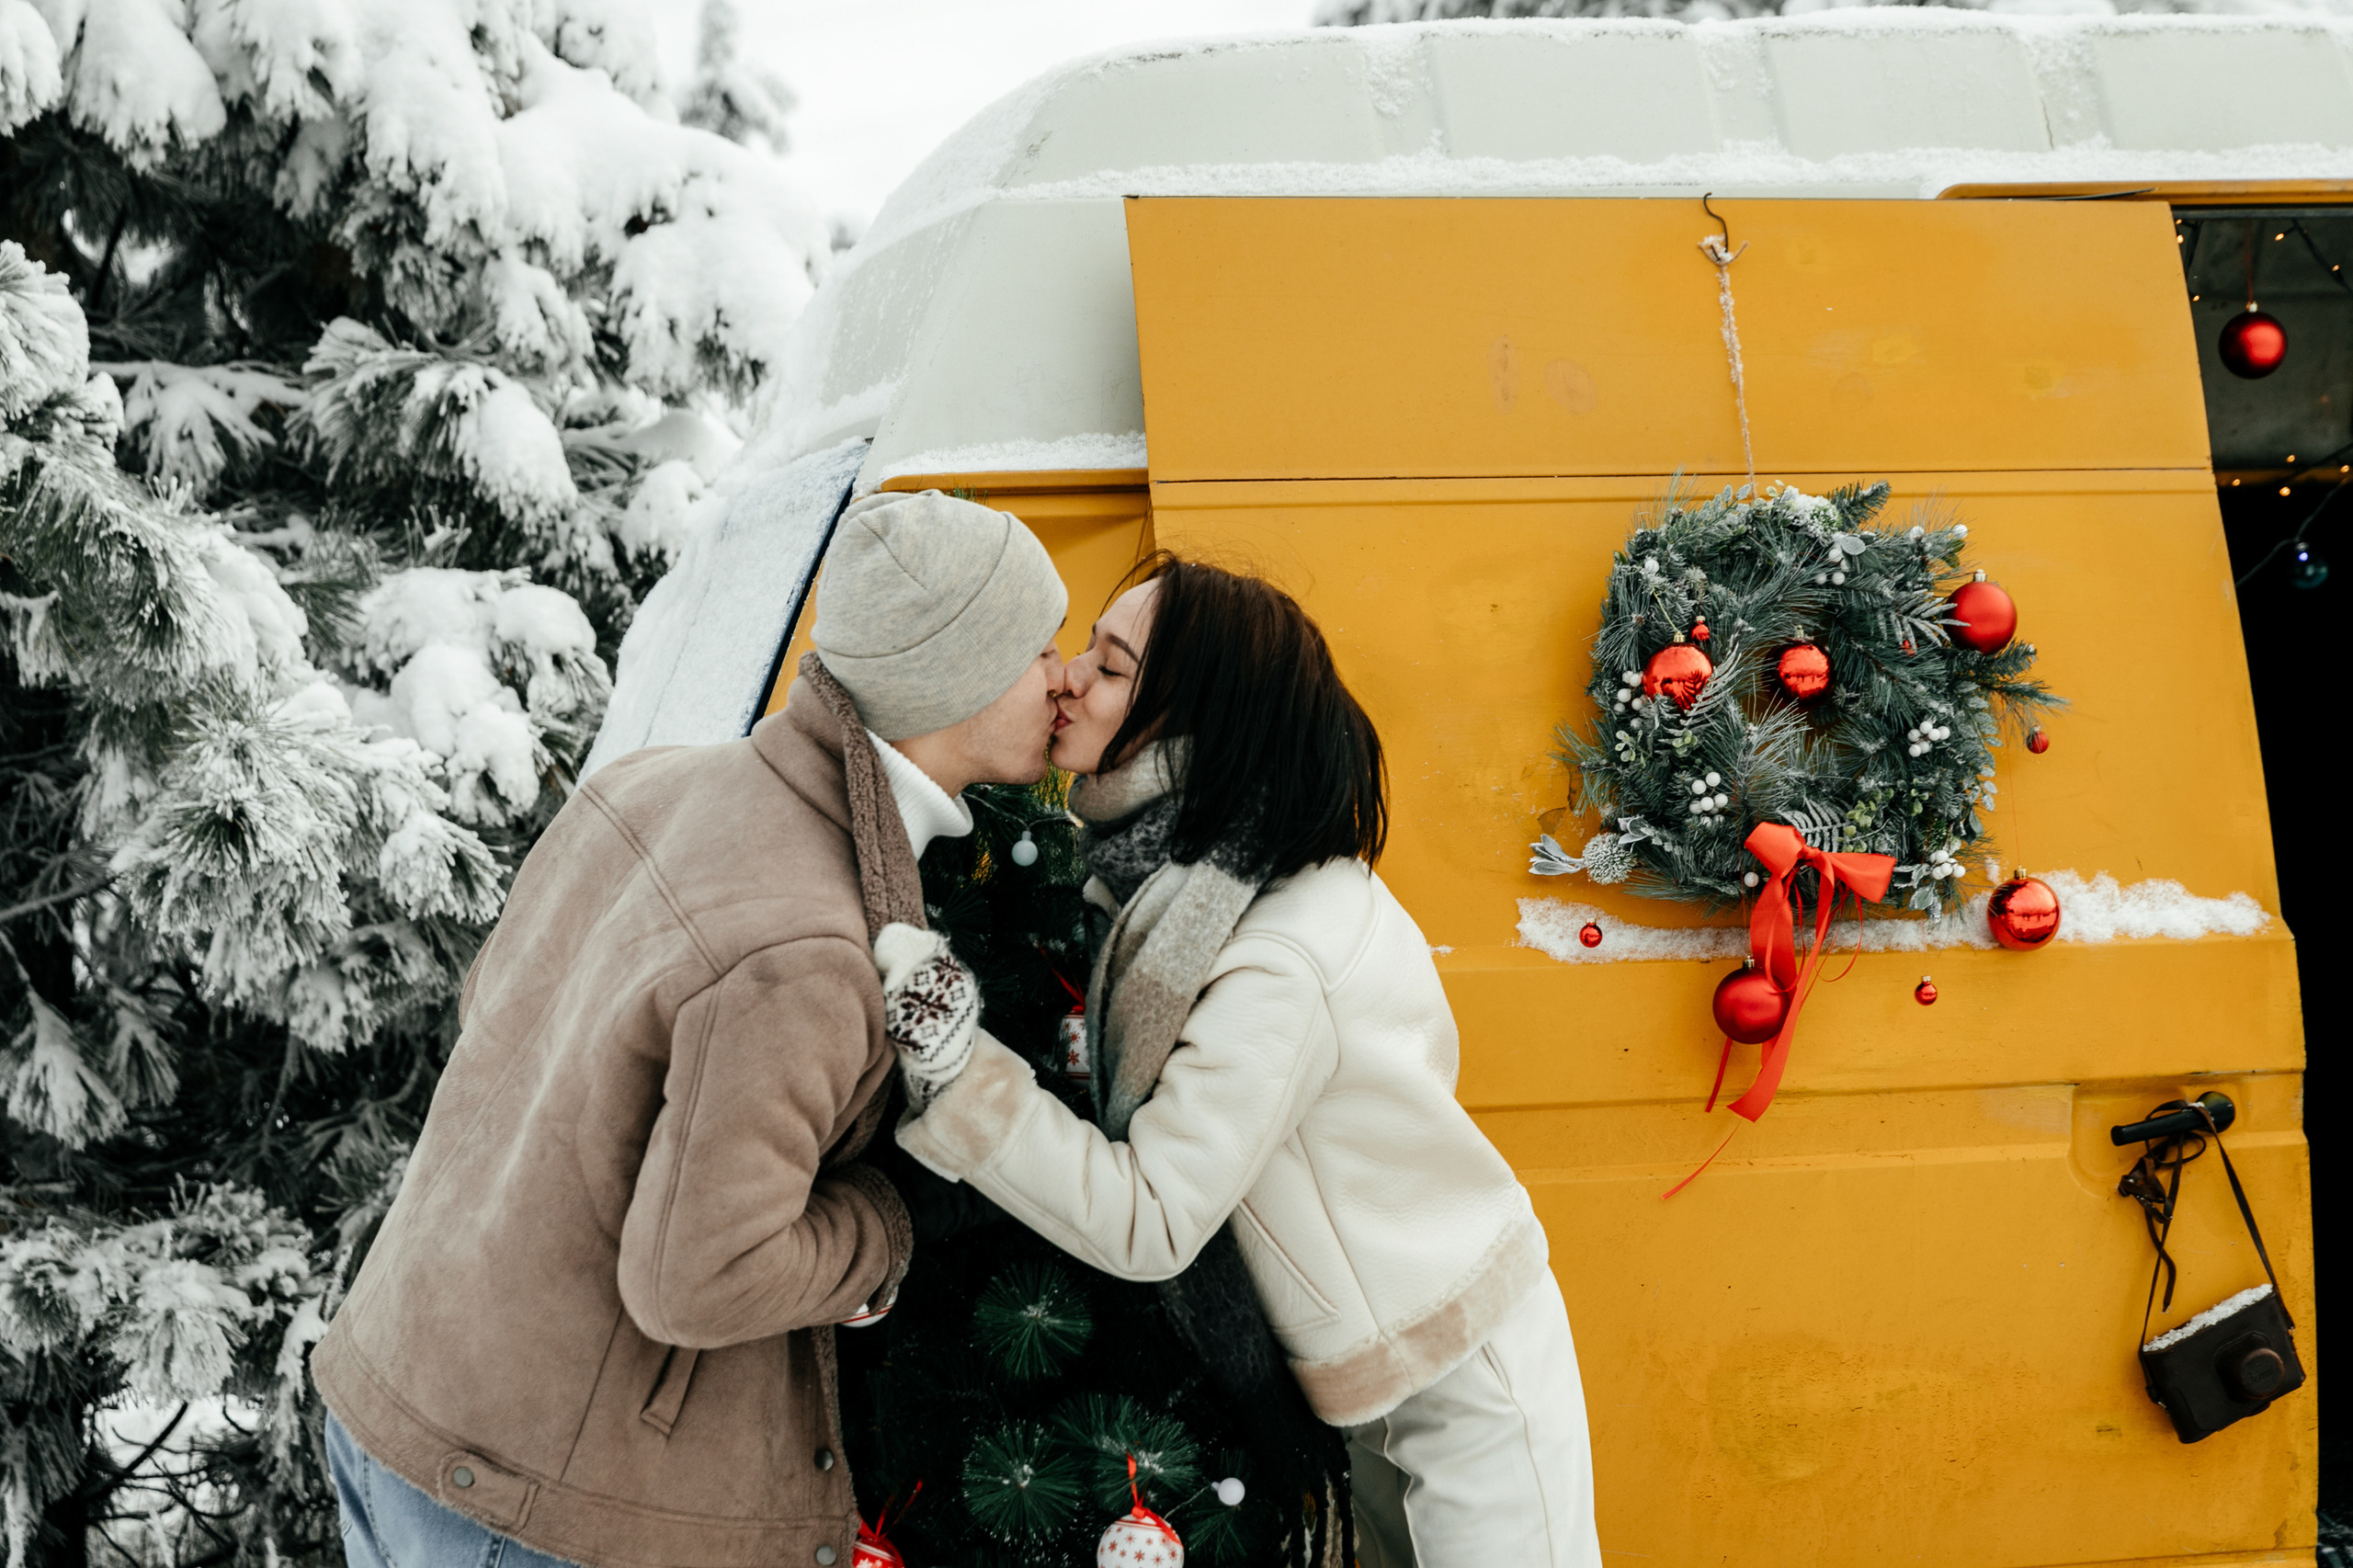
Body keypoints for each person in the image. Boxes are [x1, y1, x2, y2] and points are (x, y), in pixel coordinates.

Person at [310, 489, 1063, 1568]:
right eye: (1039, 647)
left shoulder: (650, 782)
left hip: (402, 1411)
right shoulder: (810, 943)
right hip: (541, 1508)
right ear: (961, 673)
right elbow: (702, 1275)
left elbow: (497, 1007)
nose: (1064, 675)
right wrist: (889, 1224)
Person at [874, 555, 1604, 1568]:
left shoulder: (1274, 948)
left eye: (1113, 665)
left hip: (1462, 1383)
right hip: (1363, 1382)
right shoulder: (1184, 887)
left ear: (1192, 721)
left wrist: (959, 1069)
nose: (1069, 677)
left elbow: (1154, 1216)